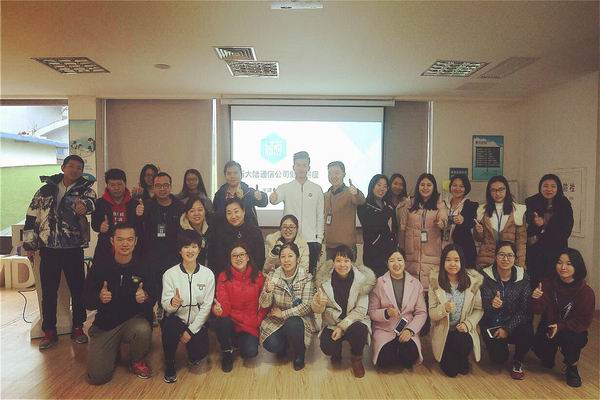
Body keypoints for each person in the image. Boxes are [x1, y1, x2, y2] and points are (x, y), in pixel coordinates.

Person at [23, 154, 97, 350]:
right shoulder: (45, 190)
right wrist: (29, 245)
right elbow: (31, 217)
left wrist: (84, 206)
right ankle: (49, 331)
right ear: (63, 167)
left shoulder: (85, 190)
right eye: (71, 166)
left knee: (78, 290)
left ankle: (78, 328)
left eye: (79, 168)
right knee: (48, 292)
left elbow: (92, 203)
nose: (75, 170)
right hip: (48, 249)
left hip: (73, 249)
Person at [84, 223, 154, 384]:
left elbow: (153, 296)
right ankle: (112, 350)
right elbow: (86, 300)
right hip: (106, 325)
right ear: (112, 241)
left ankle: (136, 360)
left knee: (143, 329)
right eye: (120, 239)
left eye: (129, 239)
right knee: (98, 377)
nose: (125, 244)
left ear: (135, 241)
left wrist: (145, 296)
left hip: (133, 321)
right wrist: (99, 297)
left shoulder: (144, 265)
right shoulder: (100, 266)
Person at [531, 248, 595, 388]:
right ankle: (549, 353)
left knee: (575, 338)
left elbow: (583, 321)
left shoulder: (586, 292)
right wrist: (536, 298)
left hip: (571, 329)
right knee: (543, 357)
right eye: (559, 263)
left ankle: (572, 367)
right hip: (549, 326)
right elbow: (537, 310)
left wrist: (560, 326)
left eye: (569, 264)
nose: (563, 267)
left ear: (577, 266)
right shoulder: (547, 283)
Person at [312, 245, 375, 378]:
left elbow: (361, 310)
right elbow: (317, 310)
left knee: (359, 330)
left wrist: (342, 327)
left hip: (353, 321)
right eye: (338, 260)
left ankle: (356, 358)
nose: (342, 265)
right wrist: (318, 303)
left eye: (346, 261)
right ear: (333, 262)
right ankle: (336, 352)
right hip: (332, 323)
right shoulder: (324, 280)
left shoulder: (362, 281)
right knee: (327, 347)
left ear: (351, 262)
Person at [160, 232, 215, 383]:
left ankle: (192, 350)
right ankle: (170, 362)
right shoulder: (170, 274)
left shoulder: (208, 274)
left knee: (198, 355)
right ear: (180, 250)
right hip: (176, 319)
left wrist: (190, 331)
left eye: (194, 246)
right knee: (169, 327)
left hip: (196, 322)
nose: (190, 250)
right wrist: (173, 303)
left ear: (199, 249)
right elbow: (165, 303)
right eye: (186, 247)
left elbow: (206, 307)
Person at [479, 241, 533, 380]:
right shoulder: (484, 276)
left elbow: (525, 310)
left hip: (514, 323)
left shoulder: (523, 277)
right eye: (501, 255)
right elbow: (482, 308)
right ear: (495, 256)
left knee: (527, 330)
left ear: (515, 258)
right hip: (492, 322)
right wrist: (492, 305)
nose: (505, 259)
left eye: (510, 255)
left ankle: (518, 360)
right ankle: (492, 345)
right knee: (499, 359)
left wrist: (507, 329)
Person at [136, 172, 185, 321]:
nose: (162, 189)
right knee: (150, 292)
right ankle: (147, 323)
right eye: (158, 186)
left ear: (171, 187)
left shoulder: (180, 207)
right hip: (151, 258)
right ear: (153, 187)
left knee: (171, 293)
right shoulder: (146, 206)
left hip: (173, 258)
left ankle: (168, 321)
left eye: (165, 185)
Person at [212, 243, 269, 372]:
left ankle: (237, 343)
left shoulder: (258, 276)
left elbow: (265, 303)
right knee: (222, 321)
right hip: (232, 321)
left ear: (248, 257)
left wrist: (258, 320)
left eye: (242, 254)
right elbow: (224, 305)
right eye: (234, 256)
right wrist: (219, 309)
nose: (238, 258)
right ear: (230, 258)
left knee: (250, 352)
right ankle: (227, 352)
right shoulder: (223, 277)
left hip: (250, 323)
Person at [259, 243, 316, 371]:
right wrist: (267, 291)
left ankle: (299, 354)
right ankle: (286, 346)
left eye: (290, 256)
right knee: (271, 344)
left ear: (297, 258)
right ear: (279, 259)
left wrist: (283, 314)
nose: (286, 260)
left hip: (299, 319)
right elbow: (263, 304)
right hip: (276, 319)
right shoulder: (273, 276)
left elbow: (307, 306)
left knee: (292, 323)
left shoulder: (306, 277)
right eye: (283, 256)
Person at [428, 244, 483, 377]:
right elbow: (432, 313)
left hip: (462, 331)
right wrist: (444, 309)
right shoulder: (435, 282)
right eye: (448, 260)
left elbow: (478, 309)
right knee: (451, 371)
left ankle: (461, 357)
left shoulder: (472, 282)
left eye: (456, 260)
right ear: (443, 262)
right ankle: (454, 358)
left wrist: (468, 324)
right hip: (444, 332)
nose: (452, 264)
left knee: (463, 345)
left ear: (461, 262)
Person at [368, 249, 426, 369]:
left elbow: (421, 313)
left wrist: (410, 331)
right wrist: (386, 313)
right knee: (385, 361)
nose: (396, 264)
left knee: (409, 357)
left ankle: (400, 350)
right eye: (392, 260)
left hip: (407, 328)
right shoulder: (379, 283)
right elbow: (372, 312)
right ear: (387, 263)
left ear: (405, 261)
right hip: (385, 329)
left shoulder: (416, 284)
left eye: (399, 260)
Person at [270, 151, 324, 275]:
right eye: (298, 165)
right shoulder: (285, 187)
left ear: (309, 167)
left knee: (309, 275)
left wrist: (319, 240)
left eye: (304, 165)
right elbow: (274, 199)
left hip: (311, 240)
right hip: (290, 239)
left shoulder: (317, 189)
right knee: (288, 272)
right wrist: (273, 198)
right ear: (293, 167)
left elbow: (320, 216)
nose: (301, 168)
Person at [398, 173, 448, 291]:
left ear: (434, 187)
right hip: (411, 254)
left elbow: (443, 217)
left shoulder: (439, 203)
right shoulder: (409, 203)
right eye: (422, 185)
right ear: (418, 186)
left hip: (432, 254)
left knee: (430, 290)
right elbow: (402, 228)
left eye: (429, 185)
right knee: (411, 290)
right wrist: (401, 251)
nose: (425, 188)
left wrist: (442, 222)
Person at [525, 174, 574, 287]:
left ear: (558, 188)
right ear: (540, 187)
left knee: (554, 283)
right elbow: (527, 228)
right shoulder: (532, 202)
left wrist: (543, 230)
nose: (549, 189)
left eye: (553, 186)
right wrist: (537, 224)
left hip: (556, 250)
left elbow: (566, 231)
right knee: (535, 283)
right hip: (535, 252)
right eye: (545, 186)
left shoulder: (564, 204)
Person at [474, 176, 526, 269]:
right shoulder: (481, 210)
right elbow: (478, 239)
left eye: (501, 189)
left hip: (508, 259)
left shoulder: (518, 210)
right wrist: (479, 232)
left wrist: (520, 265)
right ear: (489, 192)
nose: (497, 193)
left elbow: (521, 242)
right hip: (486, 260)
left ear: (507, 190)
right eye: (493, 190)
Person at [91, 168, 139, 263]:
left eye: (119, 184)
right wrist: (100, 227)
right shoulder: (100, 203)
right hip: (105, 248)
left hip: (129, 248)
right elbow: (94, 224)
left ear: (125, 184)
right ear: (107, 185)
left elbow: (139, 227)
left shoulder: (135, 204)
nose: (116, 188)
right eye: (112, 185)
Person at [323, 161, 365, 260]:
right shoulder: (326, 195)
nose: (333, 176)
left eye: (337, 172)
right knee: (329, 270)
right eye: (330, 173)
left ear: (344, 174)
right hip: (329, 245)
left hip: (347, 246)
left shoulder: (350, 193)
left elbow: (361, 200)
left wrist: (356, 192)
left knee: (348, 270)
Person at [211, 198, 265, 276]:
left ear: (243, 211)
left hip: (251, 277)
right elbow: (218, 259)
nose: (233, 216)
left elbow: (259, 258)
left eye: (236, 211)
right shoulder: (220, 233)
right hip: (228, 277)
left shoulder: (255, 232)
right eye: (229, 213)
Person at [357, 174, 396, 277]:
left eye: (385, 186)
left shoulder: (389, 206)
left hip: (389, 252)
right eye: (379, 185)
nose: (382, 189)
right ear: (372, 186)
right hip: (372, 253)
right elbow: (371, 225)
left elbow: (394, 228)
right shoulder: (364, 205)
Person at [213, 161, 268, 227]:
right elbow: (215, 214)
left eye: (235, 173)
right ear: (225, 175)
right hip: (225, 231)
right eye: (229, 173)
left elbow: (263, 203)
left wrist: (260, 197)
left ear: (241, 174)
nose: (232, 176)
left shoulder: (248, 191)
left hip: (247, 230)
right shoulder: (219, 194)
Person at [442, 175, 478, 268]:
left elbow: (472, 222)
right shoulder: (442, 204)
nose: (457, 189)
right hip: (443, 247)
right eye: (454, 185)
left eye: (461, 186)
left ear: (466, 188)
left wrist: (463, 220)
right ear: (450, 187)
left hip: (463, 249)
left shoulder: (471, 205)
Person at [179, 195, 212, 267]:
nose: (196, 214)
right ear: (186, 214)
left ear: (205, 211)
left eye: (200, 210)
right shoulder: (181, 232)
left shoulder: (212, 227)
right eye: (192, 211)